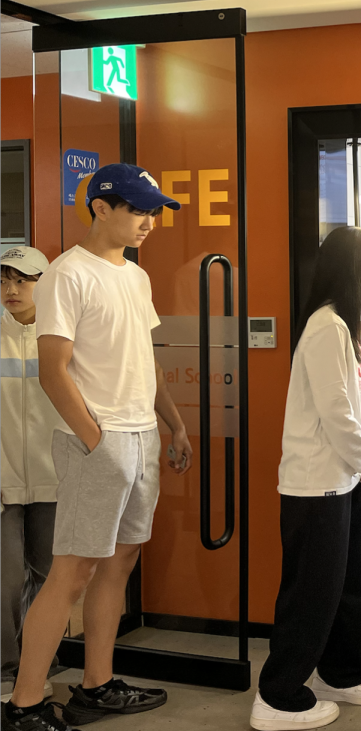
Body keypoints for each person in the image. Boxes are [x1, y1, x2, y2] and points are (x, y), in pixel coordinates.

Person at [3, 164, 192, 731]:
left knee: (120, 562)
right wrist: (97, 441)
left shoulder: (135, 277)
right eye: (137, 210)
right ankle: (25, 704)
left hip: (142, 434)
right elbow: (53, 371)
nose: (148, 222)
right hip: (98, 441)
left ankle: (96, 685)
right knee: (72, 572)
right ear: (101, 208)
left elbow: (144, 359)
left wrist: (174, 425)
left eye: (152, 211)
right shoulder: (67, 274)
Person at [251, 225, 361, 731]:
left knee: (345, 584)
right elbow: (337, 411)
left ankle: (342, 672)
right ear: (353, 268)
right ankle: (278, 694)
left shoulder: (344, 326)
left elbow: (358, 405)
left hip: (343, 480)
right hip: (316, 485)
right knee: (311, 591)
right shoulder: (325, 326)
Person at [2, 248, 62, 706]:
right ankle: (7, 668)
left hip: (53, 477)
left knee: (49, 575)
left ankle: (40, 661)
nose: (12, 290)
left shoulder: (59, 335)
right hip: (3, 481)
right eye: (4, 280)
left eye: (23, 280)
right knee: (5, 579)